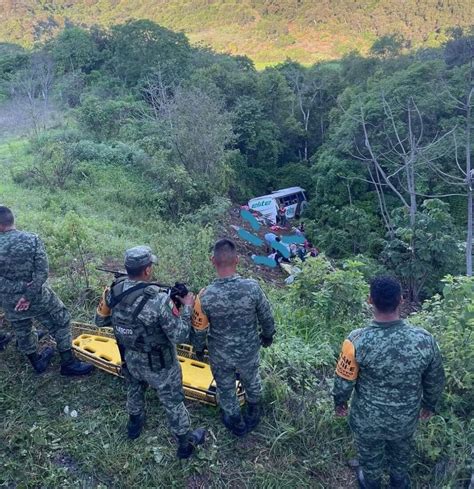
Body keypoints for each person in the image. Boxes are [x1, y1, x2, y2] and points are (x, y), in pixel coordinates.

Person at [333, 276, 445, 489]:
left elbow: (343, 381)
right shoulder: (424, 340)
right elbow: (435, 380)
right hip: (405, 419)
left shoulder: (356, 339)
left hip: (368, 421)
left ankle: (371, 482)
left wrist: (339, 403)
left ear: (370, 301)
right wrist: (429, 405)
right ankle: (398, 482)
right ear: (401, 300)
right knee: (401, 453)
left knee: (369, 458)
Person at [94, 245, 206, 459]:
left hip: (130, 358)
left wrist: (126, 324)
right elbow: (180, 335)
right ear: (146, 270)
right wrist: (188, 307)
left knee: (135, 387)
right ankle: (185, 443)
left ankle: (134, 424)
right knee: (172, 401)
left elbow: (99, 320)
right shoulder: (158, 300)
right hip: (160, 365)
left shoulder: (114, 291)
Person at [191, 238, 276, 436]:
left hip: (220, 353)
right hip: (248, 349)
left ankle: (234, 420)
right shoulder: (252, 288)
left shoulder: (205, 295)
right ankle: (254, 412)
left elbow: (199, 329)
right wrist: (268, 336)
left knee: (226, 386)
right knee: (252, 379)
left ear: (213, 261)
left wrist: (198, 348)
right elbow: (267, 317)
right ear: (237, 260)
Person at [0, 206, 93, 376]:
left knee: (22, 329)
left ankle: (37, 363)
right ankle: (68, 363)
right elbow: (42, 272)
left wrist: (18, 291)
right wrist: (27, 294)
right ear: (12, 220)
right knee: (61, 320)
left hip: (8, 301)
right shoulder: (32, 239)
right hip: (37, 296)